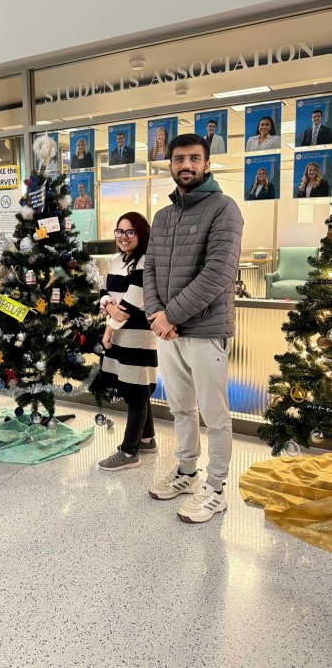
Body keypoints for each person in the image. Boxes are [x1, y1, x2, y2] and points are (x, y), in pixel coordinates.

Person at [143, 134, 243, 523]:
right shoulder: (164, 216)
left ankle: (216, 489)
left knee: (214, 415)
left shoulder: (224, 209)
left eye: (194, 159)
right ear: (170, 165)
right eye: (179, 159)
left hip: (204, 331)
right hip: (167, 333)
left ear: (207, 164)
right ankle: (187, 472)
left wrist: (171, 316)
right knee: (181, 408)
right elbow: (150, 269)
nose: (186, 165)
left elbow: (218, 273)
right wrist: (155, 314)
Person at [97, 212, 158, 471]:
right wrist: (108, 305)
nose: (123, 237)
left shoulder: (146, 261)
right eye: (119, 231)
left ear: (141, 234)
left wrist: (109, 328)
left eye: (130, 232)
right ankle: (146, 438)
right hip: (121, 330)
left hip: (138, 333)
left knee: (135, 391)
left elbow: (134, 301)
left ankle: (129, 451)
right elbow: (104, 291)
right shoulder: (116, 260)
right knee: (134, 386)